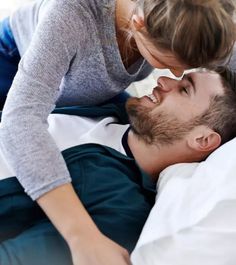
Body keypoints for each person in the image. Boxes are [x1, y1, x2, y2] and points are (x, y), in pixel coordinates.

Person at [0, 0, 236, 264]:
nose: (172, 73)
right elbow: (19, 120)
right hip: (13, 61)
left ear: (204, 138)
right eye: (165, 60)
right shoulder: (73, 17)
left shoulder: (120, 205)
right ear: (138, 24)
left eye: (185, 85)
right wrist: (81, 235)